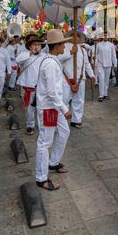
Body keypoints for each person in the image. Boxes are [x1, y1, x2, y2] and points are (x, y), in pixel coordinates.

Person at [36, 30, 72, 191]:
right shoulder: (50, 63)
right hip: (49, 108)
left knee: (64, 132)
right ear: (57, 45)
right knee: (45, 142)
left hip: (54, 107)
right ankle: (41, 178)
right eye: (63, 43)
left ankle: (54, 162)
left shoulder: (52, 59)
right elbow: (51, 91)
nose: (65, 46)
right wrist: (64, 109)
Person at [59, 32, 95, 129]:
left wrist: (91, 74)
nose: (76, 38)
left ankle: (76, 120)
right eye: (74, 36)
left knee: (79, 100)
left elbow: (87, 64)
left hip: (80, 79)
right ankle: (62, 120)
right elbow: (58, 59)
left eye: (78, 37)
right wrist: (70, 53)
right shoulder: (64, 47)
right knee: (65, 99)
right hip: (66, 78)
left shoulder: (83, 50)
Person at [16, 35, 46, 135]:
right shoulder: (24, 55)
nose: (36, 47)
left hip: (41, 87)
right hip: (28, 87)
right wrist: (30, 53)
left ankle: (42, 126)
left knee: (41, 108)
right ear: (29, 46)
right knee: (30, 109)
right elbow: (17, 61)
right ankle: (30, 125)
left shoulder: (45, 56)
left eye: (38, 45)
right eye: (34, 45)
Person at [95, 32, 117, 102]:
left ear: (108, 37)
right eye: (104, 35)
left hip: (108, 64)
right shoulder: (98, 45)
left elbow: (113, 55)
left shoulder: (111, 45)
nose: (105, 37)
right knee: (101, 79)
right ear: (102, 36)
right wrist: (95, 63)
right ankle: (101, 95)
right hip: (100, 64)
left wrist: (115, 64)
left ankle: (105, 94)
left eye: (106, 35)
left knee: (106, 80)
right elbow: (96, 54)